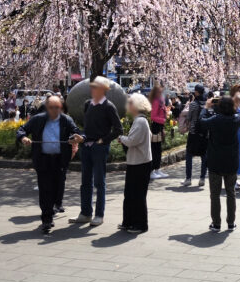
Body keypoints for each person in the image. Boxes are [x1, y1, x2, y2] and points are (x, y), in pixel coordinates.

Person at [19, 95, 82, 233]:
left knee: (57, 187)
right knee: (44, 189)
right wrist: (23, 137)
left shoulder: (66, 120)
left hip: (60, 159)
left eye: (57, 107)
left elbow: (77, 132)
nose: (54, 110)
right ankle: (46, 219)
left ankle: (53, 207)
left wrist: (77, 138)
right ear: (47, 108)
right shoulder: (37, 119)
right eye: (52, 107)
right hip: (43, 159)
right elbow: (22, 129)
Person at [71, 76, 122, 227]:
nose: (92, 89)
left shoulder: (109, 106)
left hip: (99, 148)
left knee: (99, 182)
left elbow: (118, 129)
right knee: (85, 182)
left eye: (95, 87)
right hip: (86, 147)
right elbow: (87, 128)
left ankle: (99, 215)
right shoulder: (88, 104)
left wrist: (103, 140)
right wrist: (81, 137)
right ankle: (85, 213)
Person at [199, 95, 240, 232]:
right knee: (231, 193)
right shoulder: (237, 119)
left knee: (215, 194)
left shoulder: (215, 120)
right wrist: (233, 105)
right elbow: (239, 113)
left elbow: (202, 121)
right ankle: (231, 223)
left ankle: (216, 223)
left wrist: (206, 107)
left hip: (215, 161)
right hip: (231, 161)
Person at [118, 93, 152, 233]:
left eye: (130, 103)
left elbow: (132, 141)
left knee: (137, 194)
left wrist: (121, 138)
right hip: (137, 161)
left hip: (139, 163)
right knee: (131, 194)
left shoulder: (140, 121)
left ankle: (140, 224)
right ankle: (128, 221)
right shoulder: (140, 121)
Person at [181, 85, 209, 187]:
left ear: (197, 92)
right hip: (204, 133)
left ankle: (188, 178)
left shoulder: (193, 104)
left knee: (189, 155)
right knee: (204, 156)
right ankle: (202, 178)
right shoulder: (206, 104)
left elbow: (188, 118)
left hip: (193, 132)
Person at [148, 86, 169, 180]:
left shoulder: (161, 101)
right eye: (160, 91)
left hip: (160, 126)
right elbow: (153, 116)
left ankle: (157, 169)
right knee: (154, 149)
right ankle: (152, 170)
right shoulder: (156, 101)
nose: (161, 93)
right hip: (156, 127)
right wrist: (162, 120)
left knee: (159, 149)